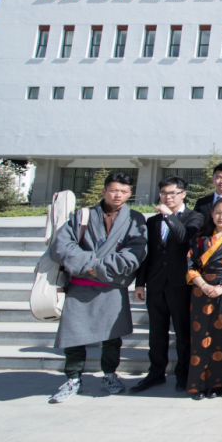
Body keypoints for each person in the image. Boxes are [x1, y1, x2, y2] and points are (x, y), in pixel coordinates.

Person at [48, 173, 149, 404]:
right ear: (104, 191)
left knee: (112, 336)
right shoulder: (83, 215)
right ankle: (73, 378)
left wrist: (97, 268)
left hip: (111, 286)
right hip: (81, 286)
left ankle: (110, 375)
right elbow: (62, 246)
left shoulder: (135, 219)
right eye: (113, 190)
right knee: (73, 335)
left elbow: (136, 252)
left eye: (123, 191)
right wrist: (91, 266)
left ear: (130, 194)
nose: (118, 195)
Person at [132, 176, 205, 394]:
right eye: (164, 193)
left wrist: (169, 215)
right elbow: (147, 255)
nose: (168, 197)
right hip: (156, 283)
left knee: (183, 332)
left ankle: (183, 375)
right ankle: (155, 373)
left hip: (181, 283)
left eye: (173, 193)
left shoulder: (195, 217)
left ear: (184, 194)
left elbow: (183, 237)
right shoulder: (153, 222)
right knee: (156, 332)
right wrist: (140, 283)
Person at [185, 198, 222, 399]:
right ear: (211, 213)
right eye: (218, 212)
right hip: (201, 290)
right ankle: (199, 383)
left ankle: (220, 382)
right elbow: (190, 265)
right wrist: (204, 285)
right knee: (200, 337)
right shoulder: (200, 237)